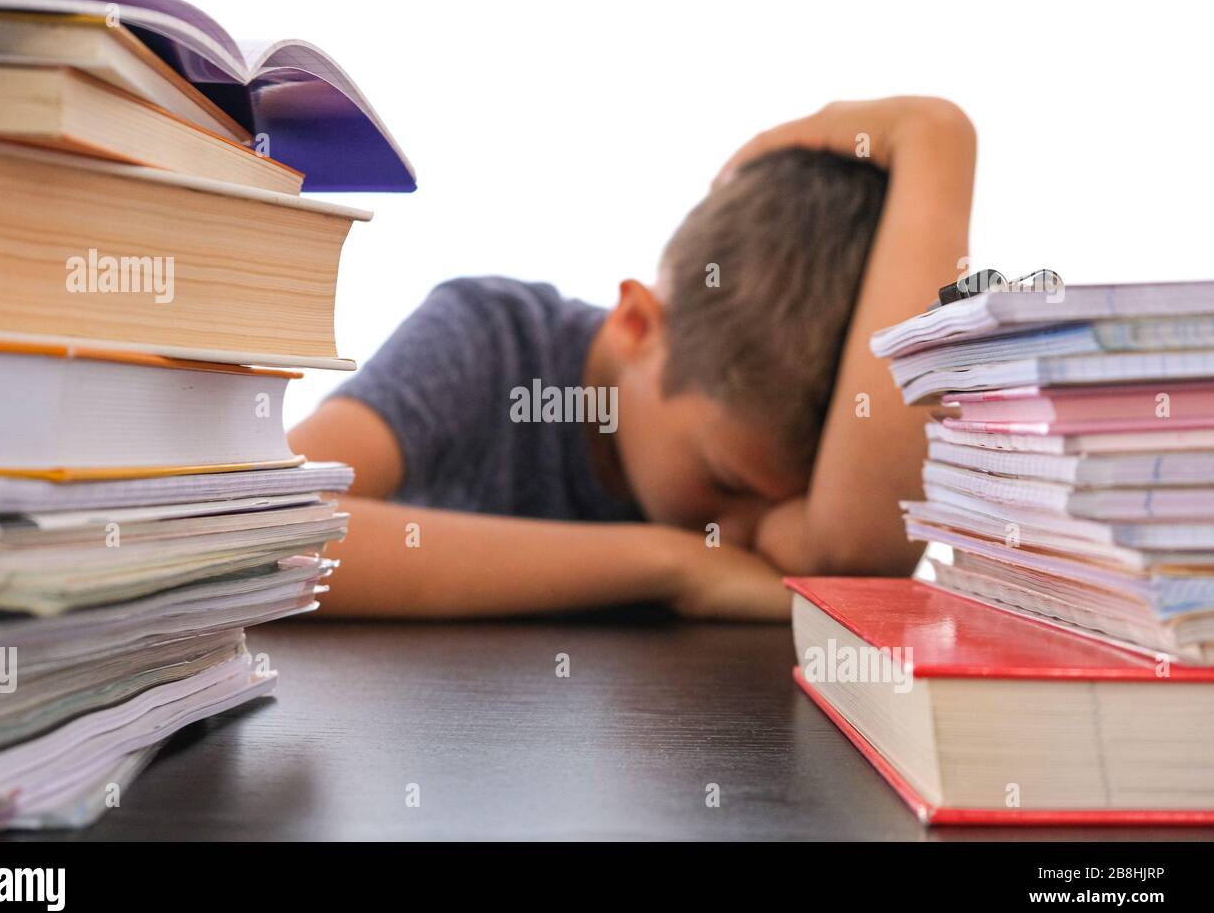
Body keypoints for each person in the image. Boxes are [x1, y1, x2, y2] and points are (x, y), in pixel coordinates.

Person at [289, 96, 976, 619]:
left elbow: (860, 553)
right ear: (639, 323)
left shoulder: (774, 496)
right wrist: (669, 563)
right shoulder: (488, 339)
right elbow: (274, 533)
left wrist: (934, 140)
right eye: (725, 482)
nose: (737, 534)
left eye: (779, 508)